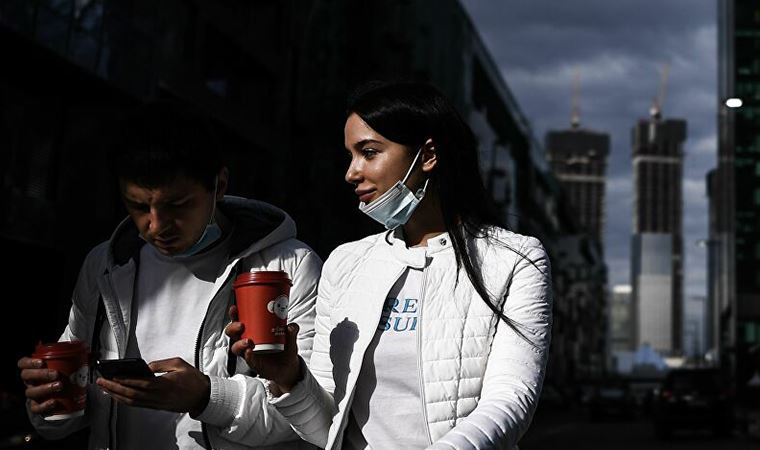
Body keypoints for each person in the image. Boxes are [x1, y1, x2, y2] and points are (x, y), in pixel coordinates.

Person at [228, 81, 553, 449]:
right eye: (350, 155)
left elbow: (510, 400)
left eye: (369, 152)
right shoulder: (346, 262)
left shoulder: (514, 259)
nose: (352, 172)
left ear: (428, 154)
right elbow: (328, 430)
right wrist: (289, 378)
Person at [17, 101, 321, 449]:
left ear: (219, 185)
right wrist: (49, 401)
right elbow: (74, 411)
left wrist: (207, 397)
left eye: (178, 205)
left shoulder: (287, 266)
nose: (157, 226)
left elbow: (313, 415)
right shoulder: (106, 265)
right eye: (139, 206)